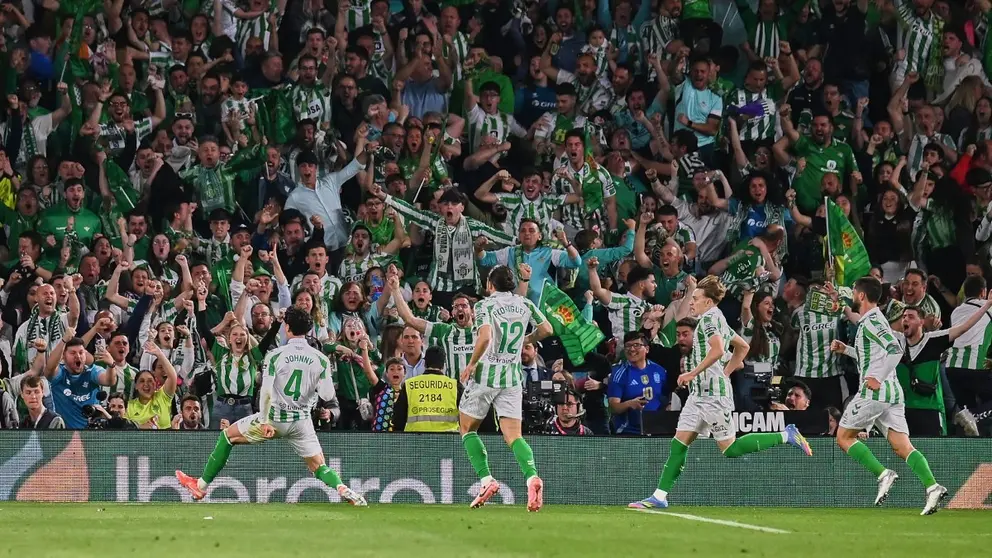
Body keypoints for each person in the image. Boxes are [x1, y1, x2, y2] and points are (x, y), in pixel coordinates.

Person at [630, 276, 812, 509]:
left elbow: (717, 350)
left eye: (696, 298)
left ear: (708, 301)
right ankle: (659, 496)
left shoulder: (709, 320)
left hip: (714, 397)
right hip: (698, 396)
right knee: (679, 444)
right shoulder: (718, 319)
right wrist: (725, 372)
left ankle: (786, 435)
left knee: (730, 449)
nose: (692, 302)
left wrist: (692, 373)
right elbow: (742, 347)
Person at [175, 307, 367, 506]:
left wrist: (265, 421)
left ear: (287, 327)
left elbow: (266, 392)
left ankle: (200, 486)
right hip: (301, 421)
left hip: (275, 419)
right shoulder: (321, 359)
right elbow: (327, 395)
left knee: (227, 437)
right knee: (319, 466)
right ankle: (342, 488)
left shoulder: (276, 355)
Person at [829, 277, 947, 515]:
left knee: (843, 437)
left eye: (854, 292)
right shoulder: (873, 320)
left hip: (876, 391)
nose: (852, 295)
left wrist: (877, 378)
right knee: (902, 447)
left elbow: (895, 349)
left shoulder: (873, 321)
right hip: (892, 393)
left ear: (861, 295)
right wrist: (847, 350)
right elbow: (873, 356)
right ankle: (932, 487)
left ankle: (883, 474)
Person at [458, 265, 553, 511]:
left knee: (467, 428)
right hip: (512, 378)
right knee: (514, 436)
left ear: (490, 284)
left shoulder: (484, 306)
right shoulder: (524, 304)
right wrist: (527, 339)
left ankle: (486, 480)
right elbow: (547, 329)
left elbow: (485, 337)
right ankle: (532, 477)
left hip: (486, 375)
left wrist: (471, 364)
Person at [607, 331, 667, 435]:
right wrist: (630, 404)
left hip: (656, 430)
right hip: (628, 432)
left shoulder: (660, 371)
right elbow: (613, 407)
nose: (632, 349)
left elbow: (665, 397)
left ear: (647, 349)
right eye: (628, 346)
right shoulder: (619, 373)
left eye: (637, 345)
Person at [394, 345, 459, 432]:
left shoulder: (409, 385)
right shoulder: (455, 385)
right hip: (448, 438)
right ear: (444, 365)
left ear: (424, 363)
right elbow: (466, 416)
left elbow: (398, 419)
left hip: (415, 437)